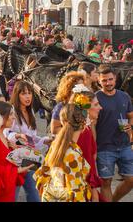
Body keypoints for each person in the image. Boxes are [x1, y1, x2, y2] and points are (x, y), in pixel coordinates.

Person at [34, 103, 92, 202]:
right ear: (84, 124)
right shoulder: (72, 153)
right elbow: (75, 191)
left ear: (62, 121)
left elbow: (43, 175)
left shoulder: (56, 144)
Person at [7, 81, 50, 202]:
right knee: (12, 195)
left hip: (30, 158)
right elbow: (5, 132)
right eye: (24, 94)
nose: (27, 97)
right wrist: (18, 135)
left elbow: (32, 138)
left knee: (33, 193)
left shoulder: (30, 111)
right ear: (17, 95)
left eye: (29, 93)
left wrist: (46, 140)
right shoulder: (12, 111)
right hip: (15, 160)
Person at [95, 65, 133, 202]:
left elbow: (131, 115)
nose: (108, 83)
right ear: (98, 81)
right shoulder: (95, 99)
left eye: (110, 79)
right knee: (106, 182)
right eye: (104, 80)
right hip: (104, 148)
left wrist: (130, 125)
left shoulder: (124, 96)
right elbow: (92, 125)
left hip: (124, 145)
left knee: (131, 179)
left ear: (115, 78)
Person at [70, 88, 103, 202]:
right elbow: (88, 166)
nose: (100, 107)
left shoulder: (83, 129)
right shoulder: (84, 132)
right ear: (86, 109)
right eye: (96, 104)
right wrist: (94, 193)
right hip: (83, 189)